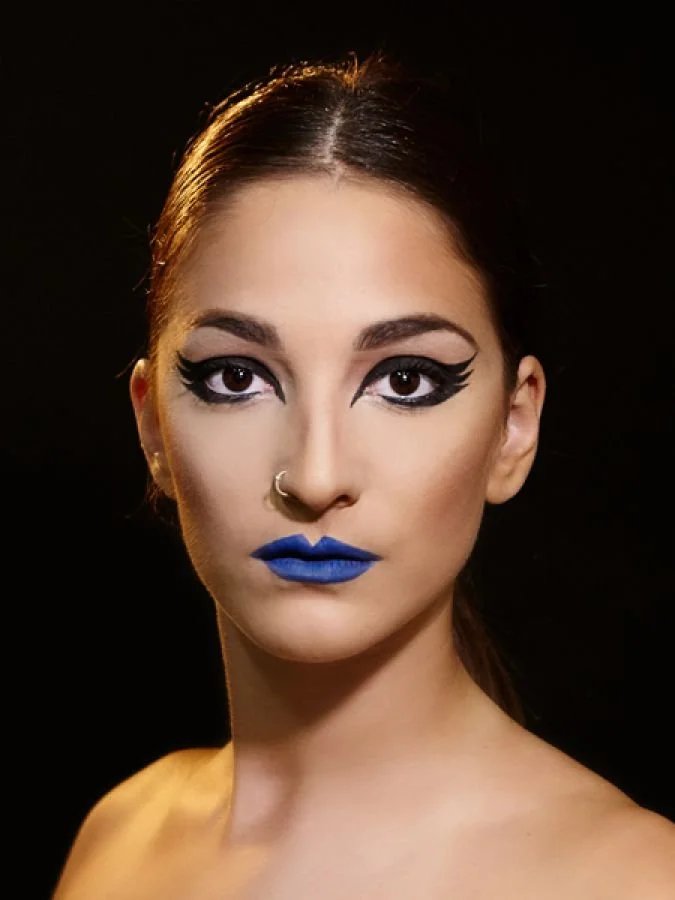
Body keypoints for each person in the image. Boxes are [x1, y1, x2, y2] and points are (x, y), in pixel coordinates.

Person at [53, 50, 674, 899]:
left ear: (513, 426)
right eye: (237, 378)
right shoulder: (118, 840)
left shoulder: (634, 879)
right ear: (153, 425)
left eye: (404, 381)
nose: (314, 475)